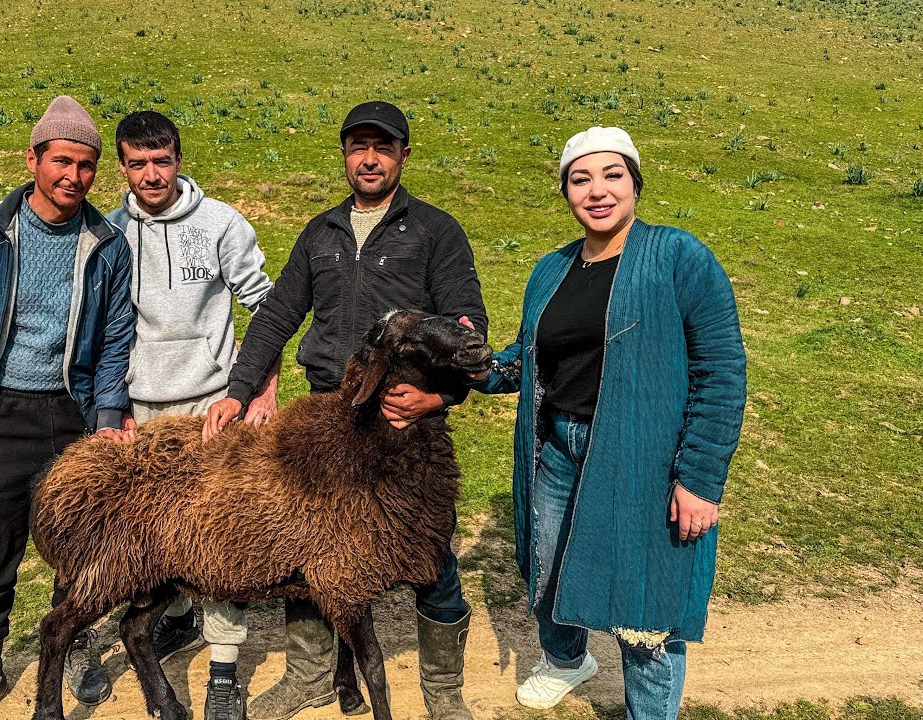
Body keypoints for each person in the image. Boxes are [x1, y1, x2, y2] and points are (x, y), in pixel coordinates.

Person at [205, 101, 488, 720]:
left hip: (403, 419)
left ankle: (445, 692)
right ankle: (310, 675)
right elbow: (279, 313)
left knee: (428, 551)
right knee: (306, 545)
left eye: (382, 148)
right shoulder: (321, 232)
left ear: (403, 156)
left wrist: (439, 397)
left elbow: (467, 328)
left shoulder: (436, 231)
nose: (370, 158)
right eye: (359, 146)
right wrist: (239, 387)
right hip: (327, 415)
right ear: (344, 154)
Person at [470, 126, 746, 720]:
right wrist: (474, 368)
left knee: (643, 603)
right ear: (567, 192)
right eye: (580, 178)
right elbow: (530, 356)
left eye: (612, 175)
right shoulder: (551, 269)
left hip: (641, 456)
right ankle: (568, 658)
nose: (597, 191)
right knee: (544, 565)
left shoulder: (677, 257)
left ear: (635, 184)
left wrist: (698, 479)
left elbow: (721, 370)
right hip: (557, 448)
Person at [0, 95, 135, 720]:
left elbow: (117, 334)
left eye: (88, 166)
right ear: (34, 159)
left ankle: (77, 641)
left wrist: (109, 416)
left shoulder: (106, 242)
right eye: (62, 161)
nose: (74, 177)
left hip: (72, 410)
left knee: (82, 540)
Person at [106, 110, 279, 720]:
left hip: (213, 406)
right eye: (137, 164)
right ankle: (176, 617)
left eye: (162, 161)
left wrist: (260, 392)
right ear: (123, 167)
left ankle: (226, 667)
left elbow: (266, 310)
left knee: (222, 536)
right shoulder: (108, 234)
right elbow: (104, 327)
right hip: (144, 405)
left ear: (179, 159)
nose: (151, 175)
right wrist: (116, 407)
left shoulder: (221, 223)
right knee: (155, 533)